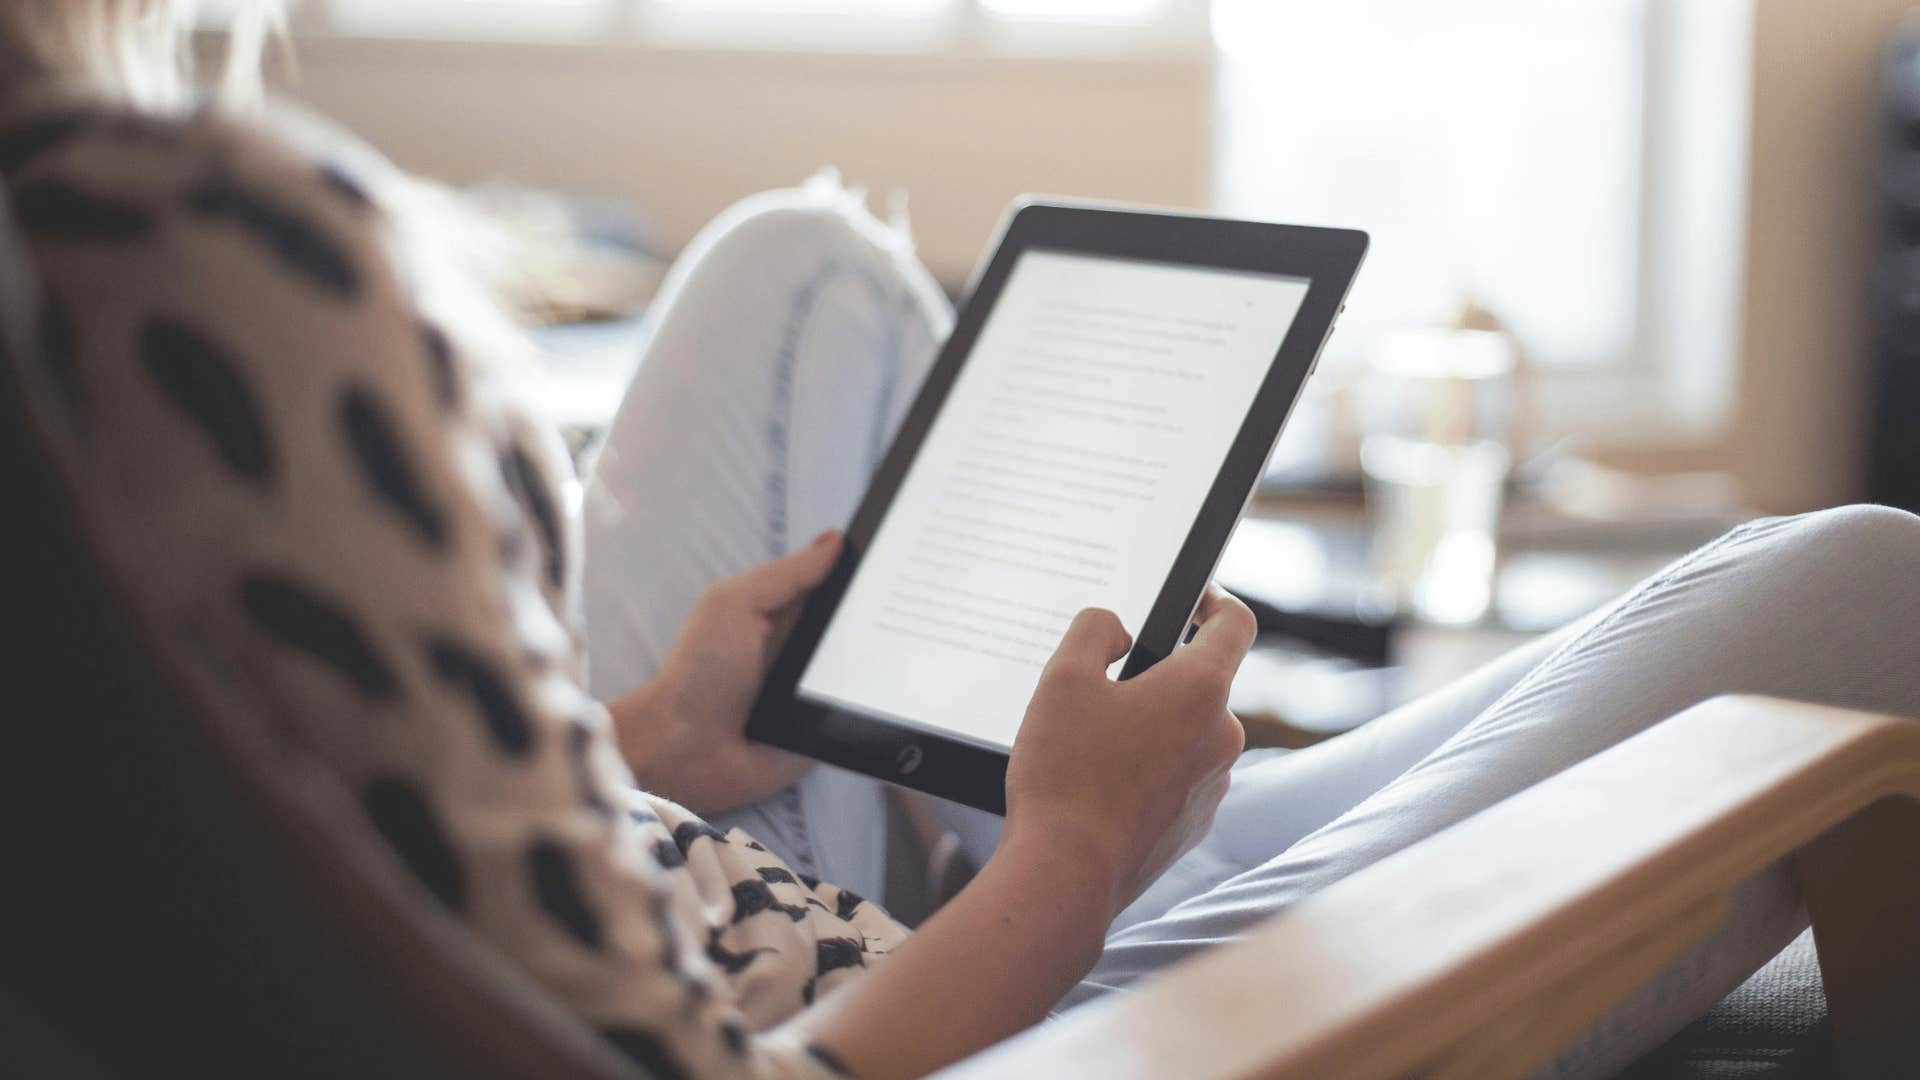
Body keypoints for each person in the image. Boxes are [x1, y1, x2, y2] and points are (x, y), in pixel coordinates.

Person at [4, 4, 1915, 1077]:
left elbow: (354, 827)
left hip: (722, 875)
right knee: (1862, 586)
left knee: (805, 265)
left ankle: (1003, 794)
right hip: (973, 1028)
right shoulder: (172, 262)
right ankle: (1062, 829)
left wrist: (655, 739)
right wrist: (1065, 868)